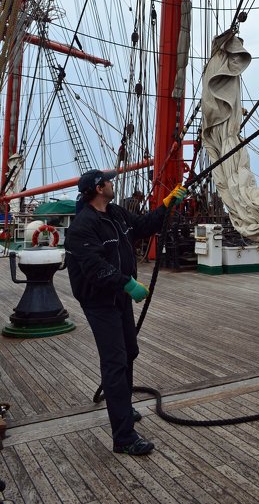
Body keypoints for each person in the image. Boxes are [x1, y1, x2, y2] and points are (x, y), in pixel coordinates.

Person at [64, 169, 185, 456]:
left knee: (129, 351)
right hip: (99, 301)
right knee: (115, 361)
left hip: (118, 297)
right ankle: (123, 437)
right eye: (108, 180)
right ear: (98, 188)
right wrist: (127, 283)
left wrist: (166, 204)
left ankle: (124, 408)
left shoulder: (116, 213)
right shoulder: (83, 226)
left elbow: (142, 226)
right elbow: (94, 269)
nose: (112, 182)